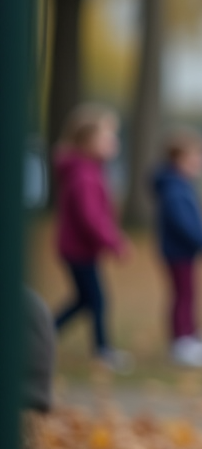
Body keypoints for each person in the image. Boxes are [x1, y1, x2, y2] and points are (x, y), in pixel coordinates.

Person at [52, 104, 131, 373]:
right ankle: (102, 350)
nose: (113, 141)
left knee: (84, 300)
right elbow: (90, 217)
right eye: (107, 136)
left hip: (80, 249)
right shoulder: (84, 174)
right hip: (78, 249)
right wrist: (114, 242)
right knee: (96, 300)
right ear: (86, 141)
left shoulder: (90, 169)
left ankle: (42, 335)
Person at [150, 128, 202, 367]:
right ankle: (181, 341)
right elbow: (184, 224)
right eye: (194, 157)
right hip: (177, 252)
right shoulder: (174, 188)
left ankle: (191, 334)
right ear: (177, 159)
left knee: (190, 293)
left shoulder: (182, 184)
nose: (200, 162)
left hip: (185, 252)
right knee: (182, 295)